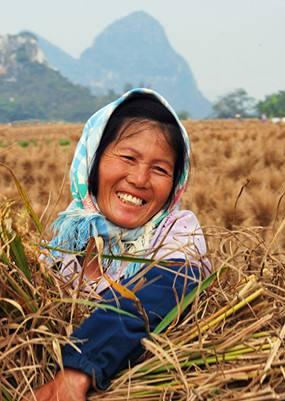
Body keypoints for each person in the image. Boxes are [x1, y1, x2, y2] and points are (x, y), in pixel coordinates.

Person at [30, 88, 209, 400]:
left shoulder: (177, 233)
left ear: (175, 184)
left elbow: (163, 288)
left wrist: (78, 367)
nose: (140, 179)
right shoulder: (61, 247)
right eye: (128, 158)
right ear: (94, 159)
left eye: (160, 169)